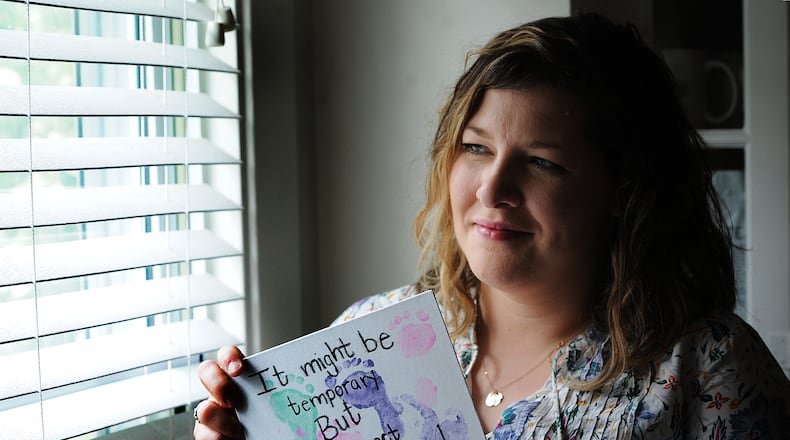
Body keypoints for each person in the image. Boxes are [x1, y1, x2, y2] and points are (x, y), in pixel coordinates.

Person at [194, 13, 790, 439]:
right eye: (476, 149)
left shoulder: (707, 368)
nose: (492, 189)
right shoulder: (368, 336)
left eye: (542, 162)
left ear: (623, 191)